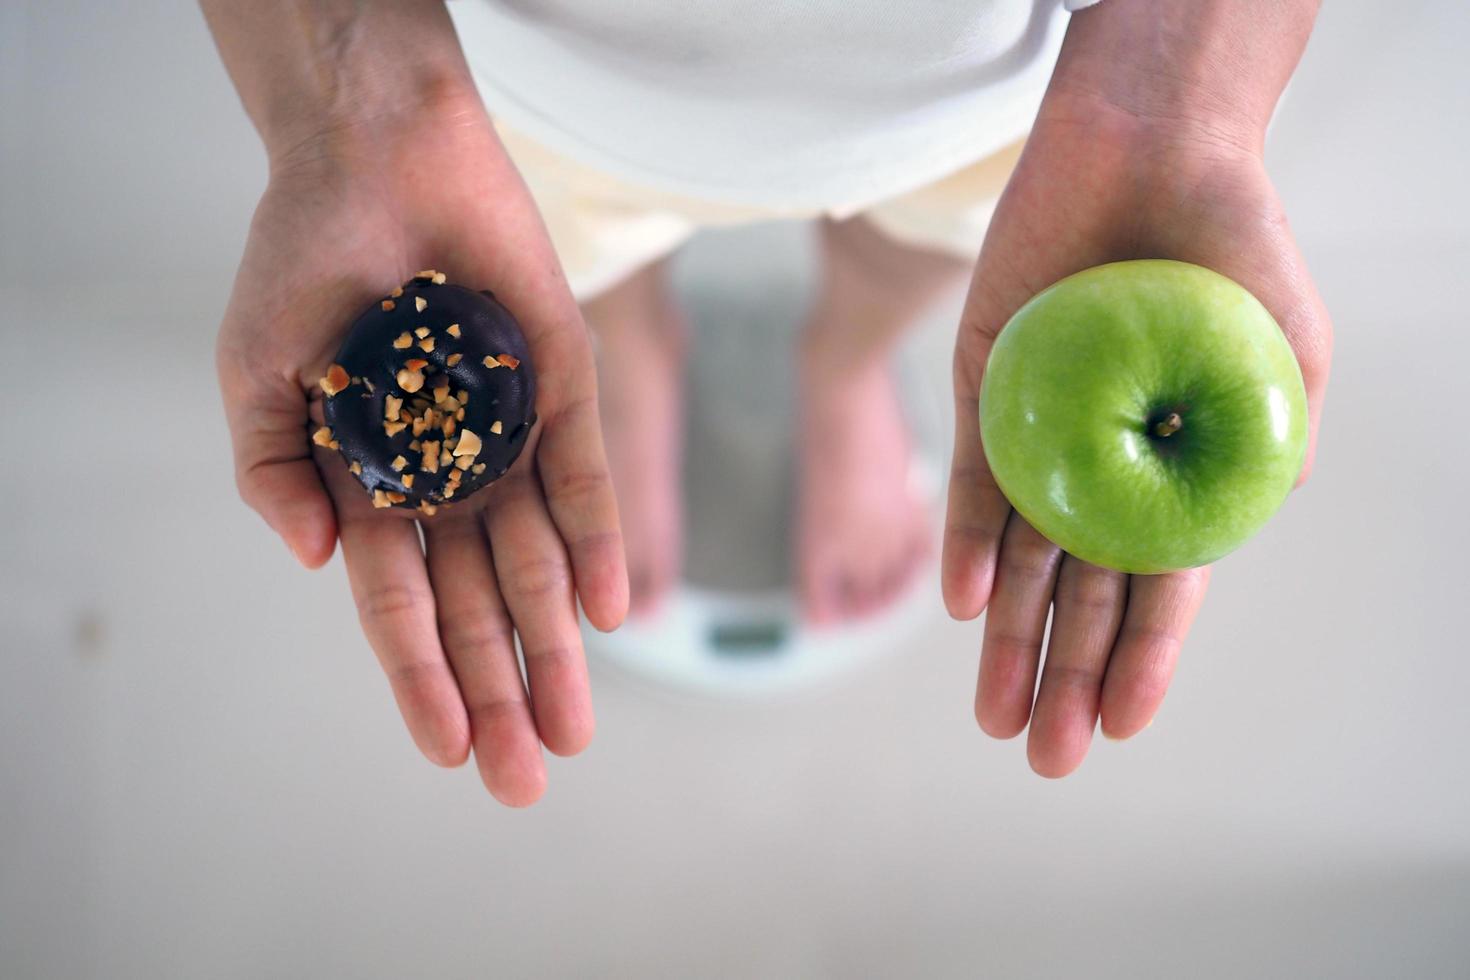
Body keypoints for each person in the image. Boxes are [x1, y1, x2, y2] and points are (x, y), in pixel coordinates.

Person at [201, 0, 1331, 804]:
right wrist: (345, 93)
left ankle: (840, 361)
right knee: (564, 268)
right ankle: (631, 355)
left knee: (942, 241)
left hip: (1034, 100)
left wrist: (1184, 90)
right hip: (499, 100)